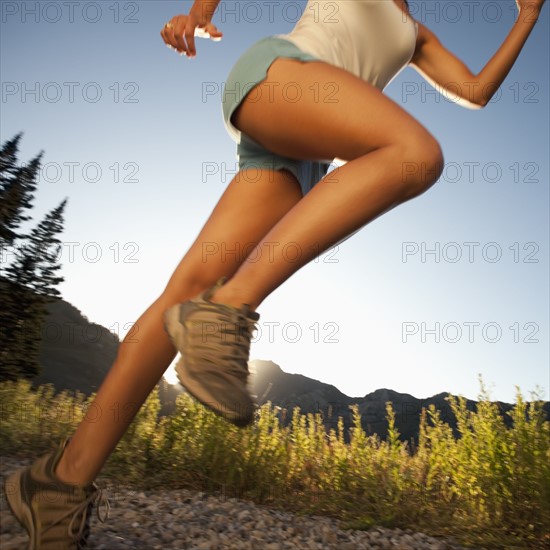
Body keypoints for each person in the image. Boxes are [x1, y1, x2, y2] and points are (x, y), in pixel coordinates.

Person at [3, 0, 545, 547]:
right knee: (413, 153)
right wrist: (197, 12)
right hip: (280, 78)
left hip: (304, 157)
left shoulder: (417, 34)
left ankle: (58, 484)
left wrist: (527, 15)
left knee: (184, 293)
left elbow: (475, 91)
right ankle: (228, 309)